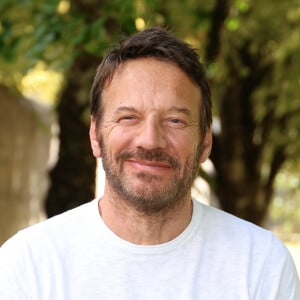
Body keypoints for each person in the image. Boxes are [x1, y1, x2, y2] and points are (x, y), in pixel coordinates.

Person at [0, 27, 299, 300]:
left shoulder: (261, 264)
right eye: (129, 117)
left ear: (205, 142)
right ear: (95, 135)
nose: (150, 140)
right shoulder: (28, 265)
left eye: (175, 120)